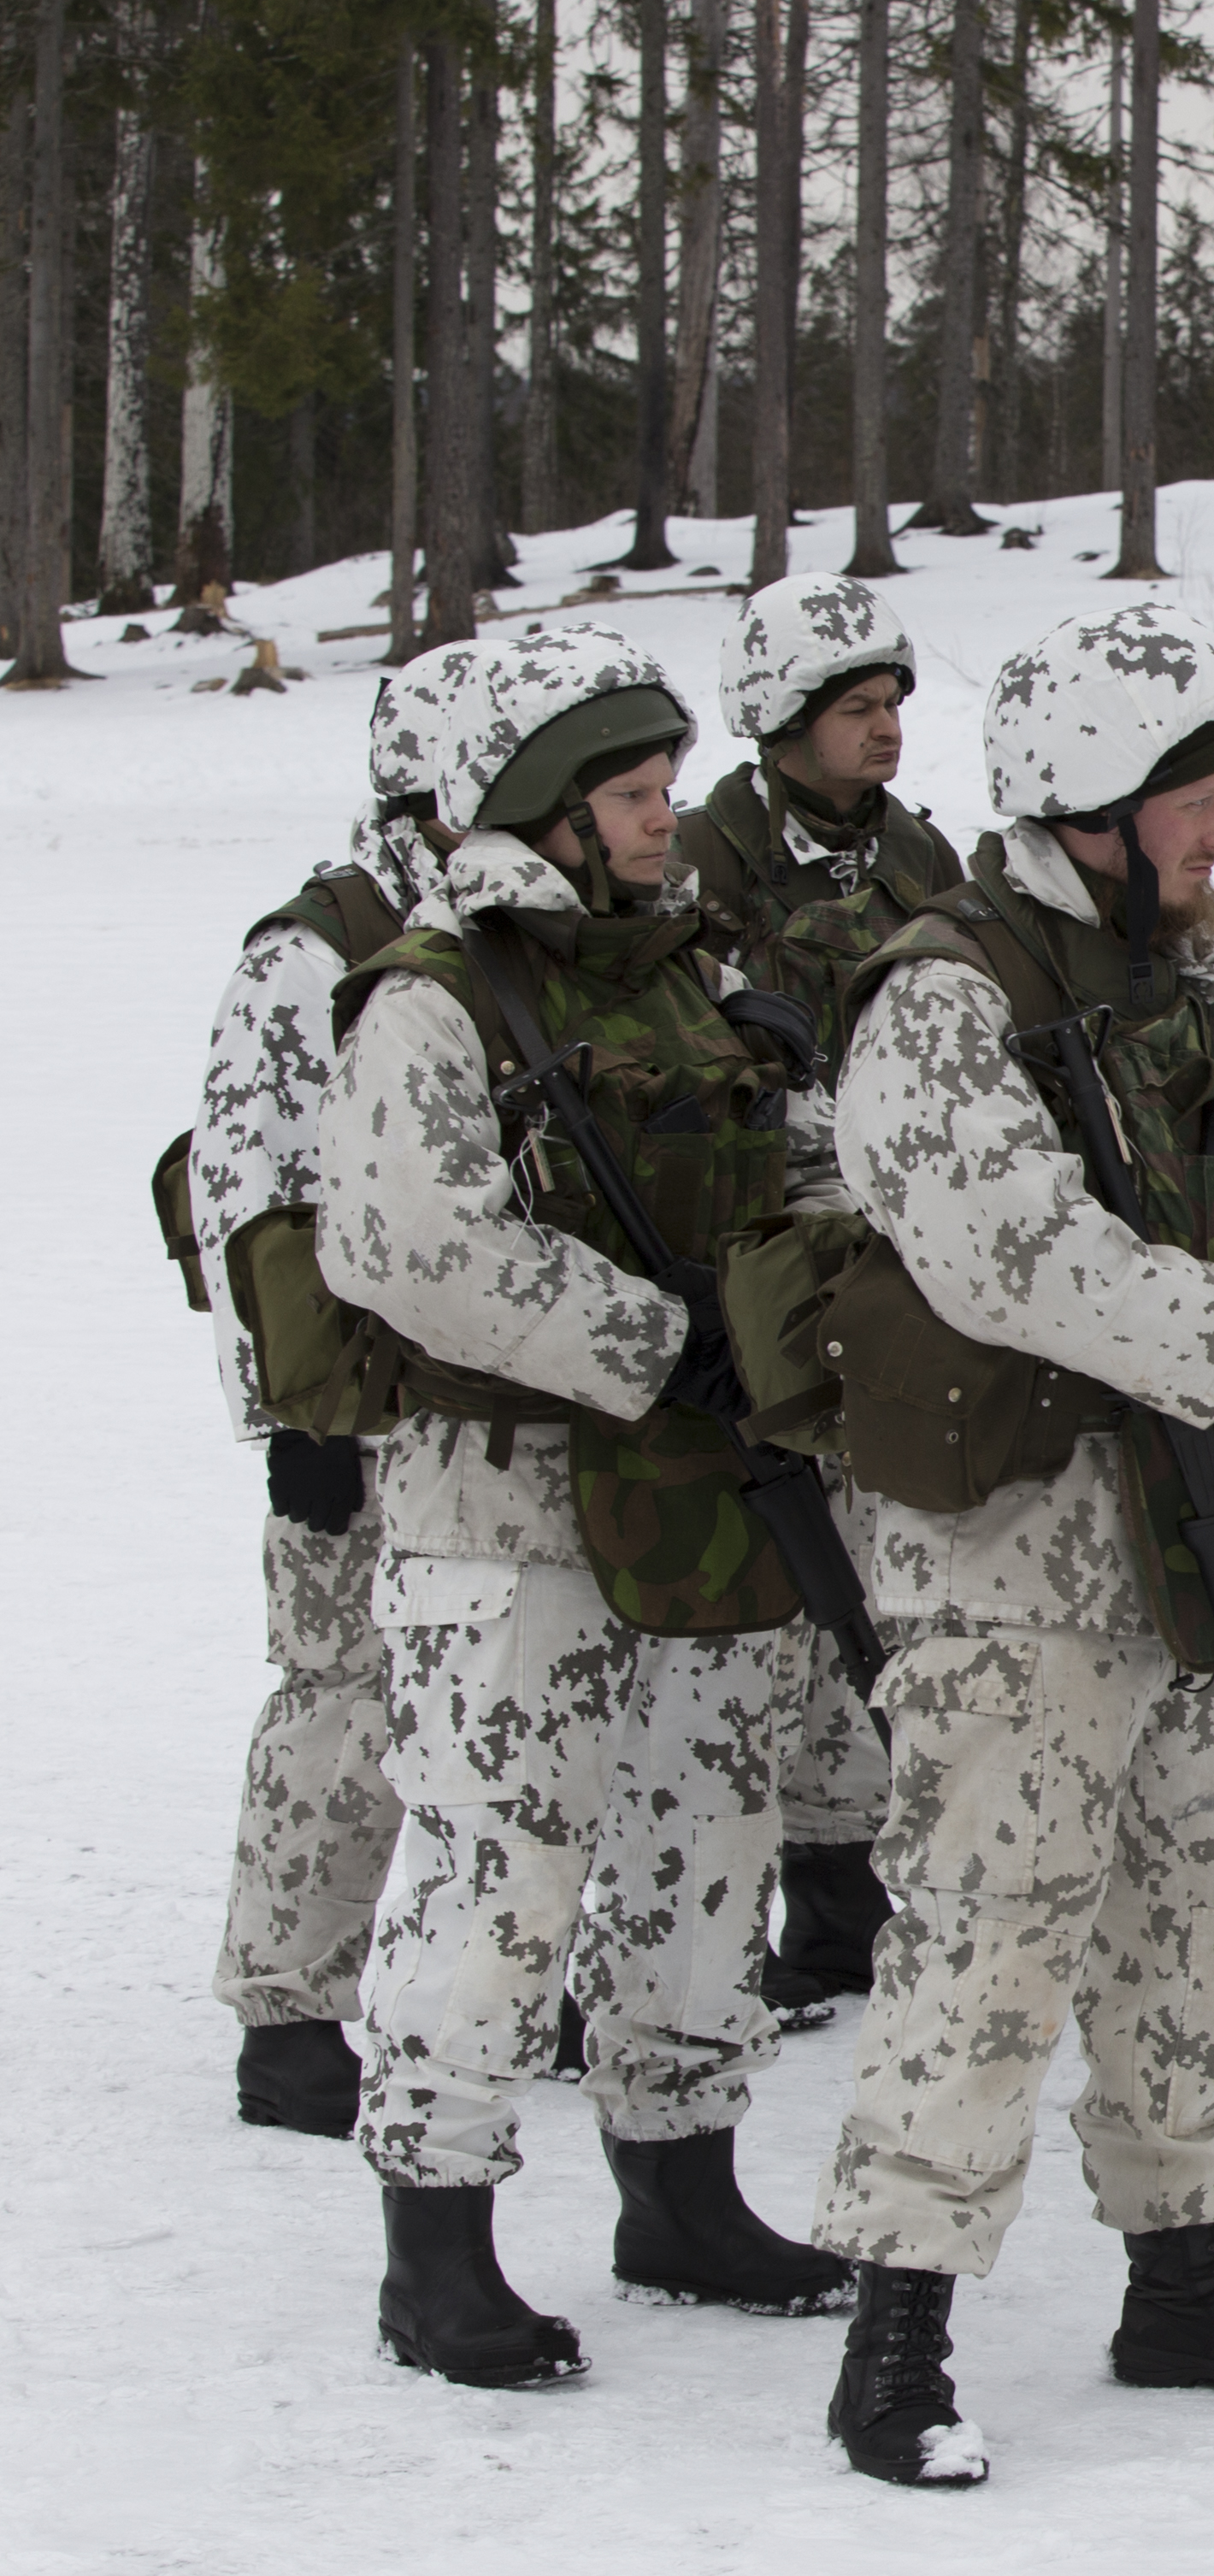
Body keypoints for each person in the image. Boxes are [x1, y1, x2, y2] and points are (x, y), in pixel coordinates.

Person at [809, 605, 1214, 2485]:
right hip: (1020, 1548)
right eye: (1200, 799)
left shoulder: (1212, 974)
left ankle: (1183, 2267)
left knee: (1206, 1905)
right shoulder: (944, 997)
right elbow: (1004, 1250)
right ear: (1093, 807)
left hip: (1208, 1520)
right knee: (991, 1927)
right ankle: (898, 2327)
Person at [323, 622, 855, 2382]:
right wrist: (654, 1332)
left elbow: (806, 1184)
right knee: (500, 1862)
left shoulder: (695, 976)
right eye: (628, 794)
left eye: (661, 788)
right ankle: (437, 2235)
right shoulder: (434, 996)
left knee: (707, 1842)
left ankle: (680, 2186)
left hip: (709, 1489)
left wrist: (789, 1281)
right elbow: (405, 1243)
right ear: (537, 810)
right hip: (508, 1502)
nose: (661, 820)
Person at [180, 640, 484, 2136]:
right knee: (341, 1699)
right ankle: (290, 2006)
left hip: (473, 1399)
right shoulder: (312, 950)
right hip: (347, 1405)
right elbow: (246, 1198)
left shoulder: (492, 933)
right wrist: (299, 1417)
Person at [691, 574, 968, 2021]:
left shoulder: (926, 859)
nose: (886, 732)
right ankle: (703, 1922)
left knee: (874, 1575)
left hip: (890, 1269)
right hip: (743, 1261)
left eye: (893, 705)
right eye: (856, 709)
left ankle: (842, 1888)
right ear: (783, 720)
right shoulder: (699, 864)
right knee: (757, 1605)